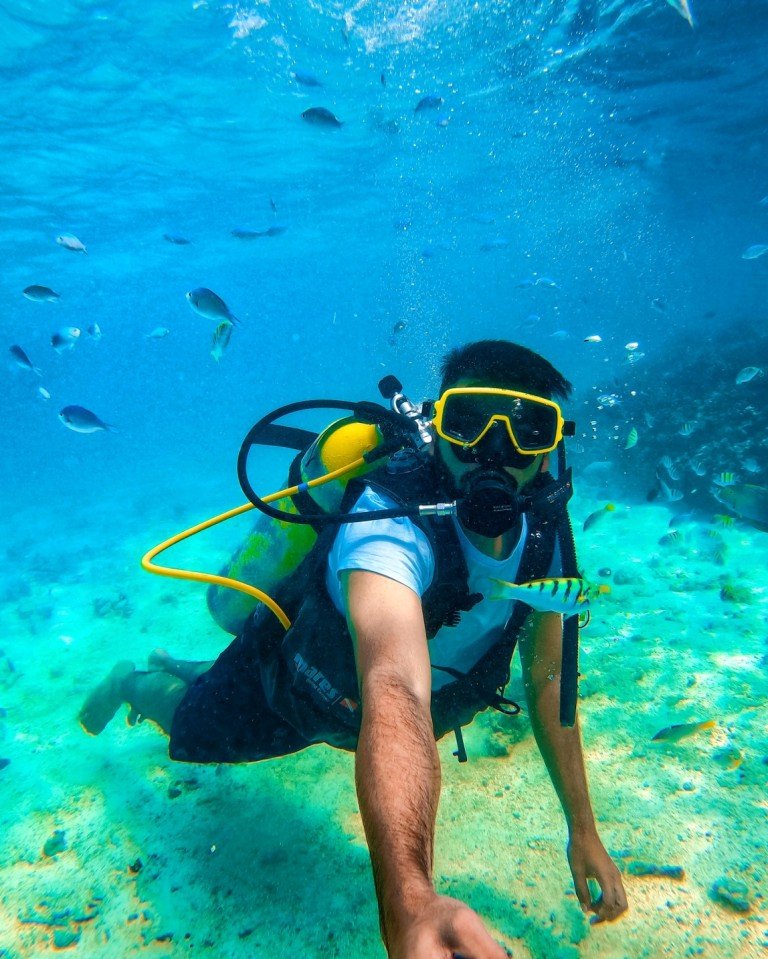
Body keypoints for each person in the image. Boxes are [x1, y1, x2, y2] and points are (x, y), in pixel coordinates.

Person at [80, 340, 628, 958]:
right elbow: (393, 681)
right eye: (468, 422)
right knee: (190, 724)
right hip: (300, 692)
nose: (492, 452)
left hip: (407, 720)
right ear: (437, 426)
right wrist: (409, 901)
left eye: (527, 430)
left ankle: (178, 665)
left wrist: (584, 828)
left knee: (213, 693)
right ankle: (132, 681)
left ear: (552, 447)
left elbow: (550, 677)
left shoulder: (548, 539)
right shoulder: (388, 520)